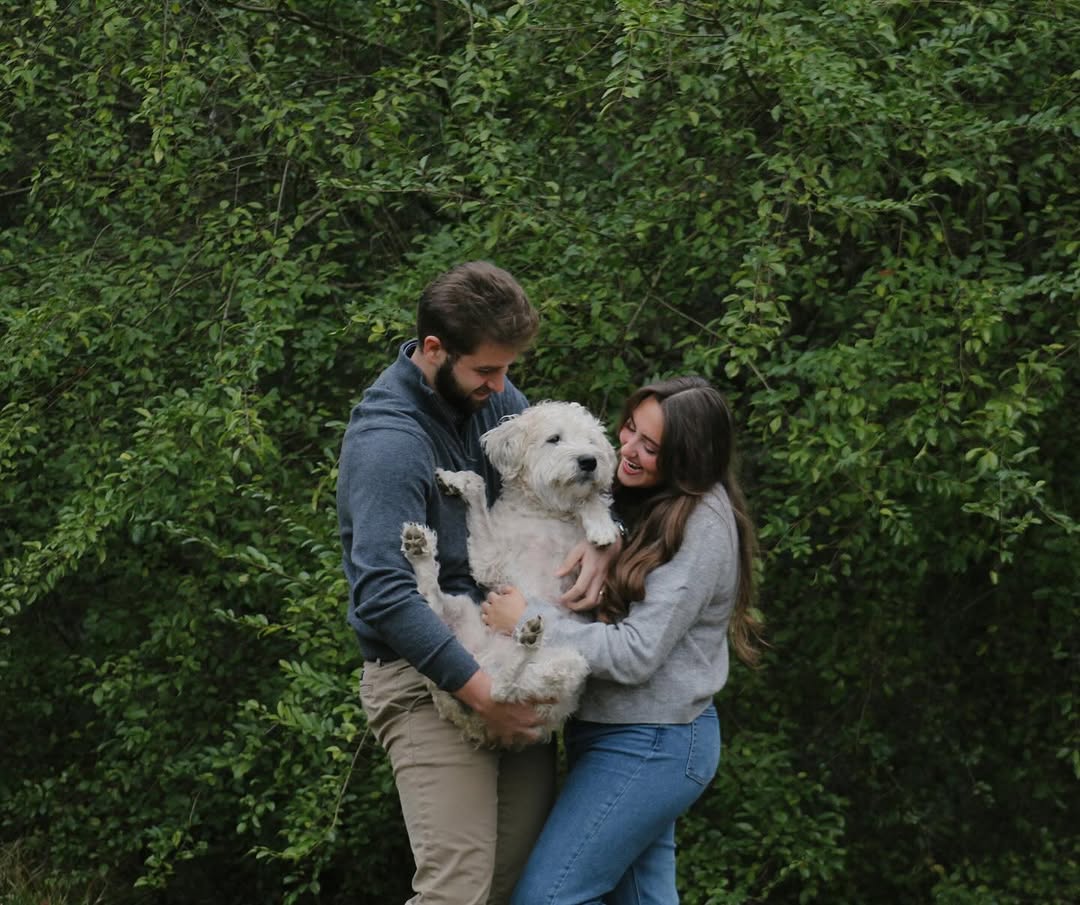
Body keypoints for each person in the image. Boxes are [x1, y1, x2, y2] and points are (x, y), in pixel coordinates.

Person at [336, 261, 615, 905]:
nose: (503, 386)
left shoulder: (490, 398)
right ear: (434, 349)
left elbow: (567, 473)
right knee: (456, 890)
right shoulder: (389, 443)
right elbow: (382, 594)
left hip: (512, 653)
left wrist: (607, 542)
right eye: (487, 371)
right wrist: (484, 693)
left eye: (508, 369)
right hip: (426, 673)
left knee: (516, 886)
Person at [482, 375, 764, 905]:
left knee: (547, 898)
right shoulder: (646, 500)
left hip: (653, 742)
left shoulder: (704, 523)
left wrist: (528, 619)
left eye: (650, 446)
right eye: (630, 428)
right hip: (616, 736)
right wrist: (607, 538)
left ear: (687, 458)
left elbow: (637, 654)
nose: (628, 449)